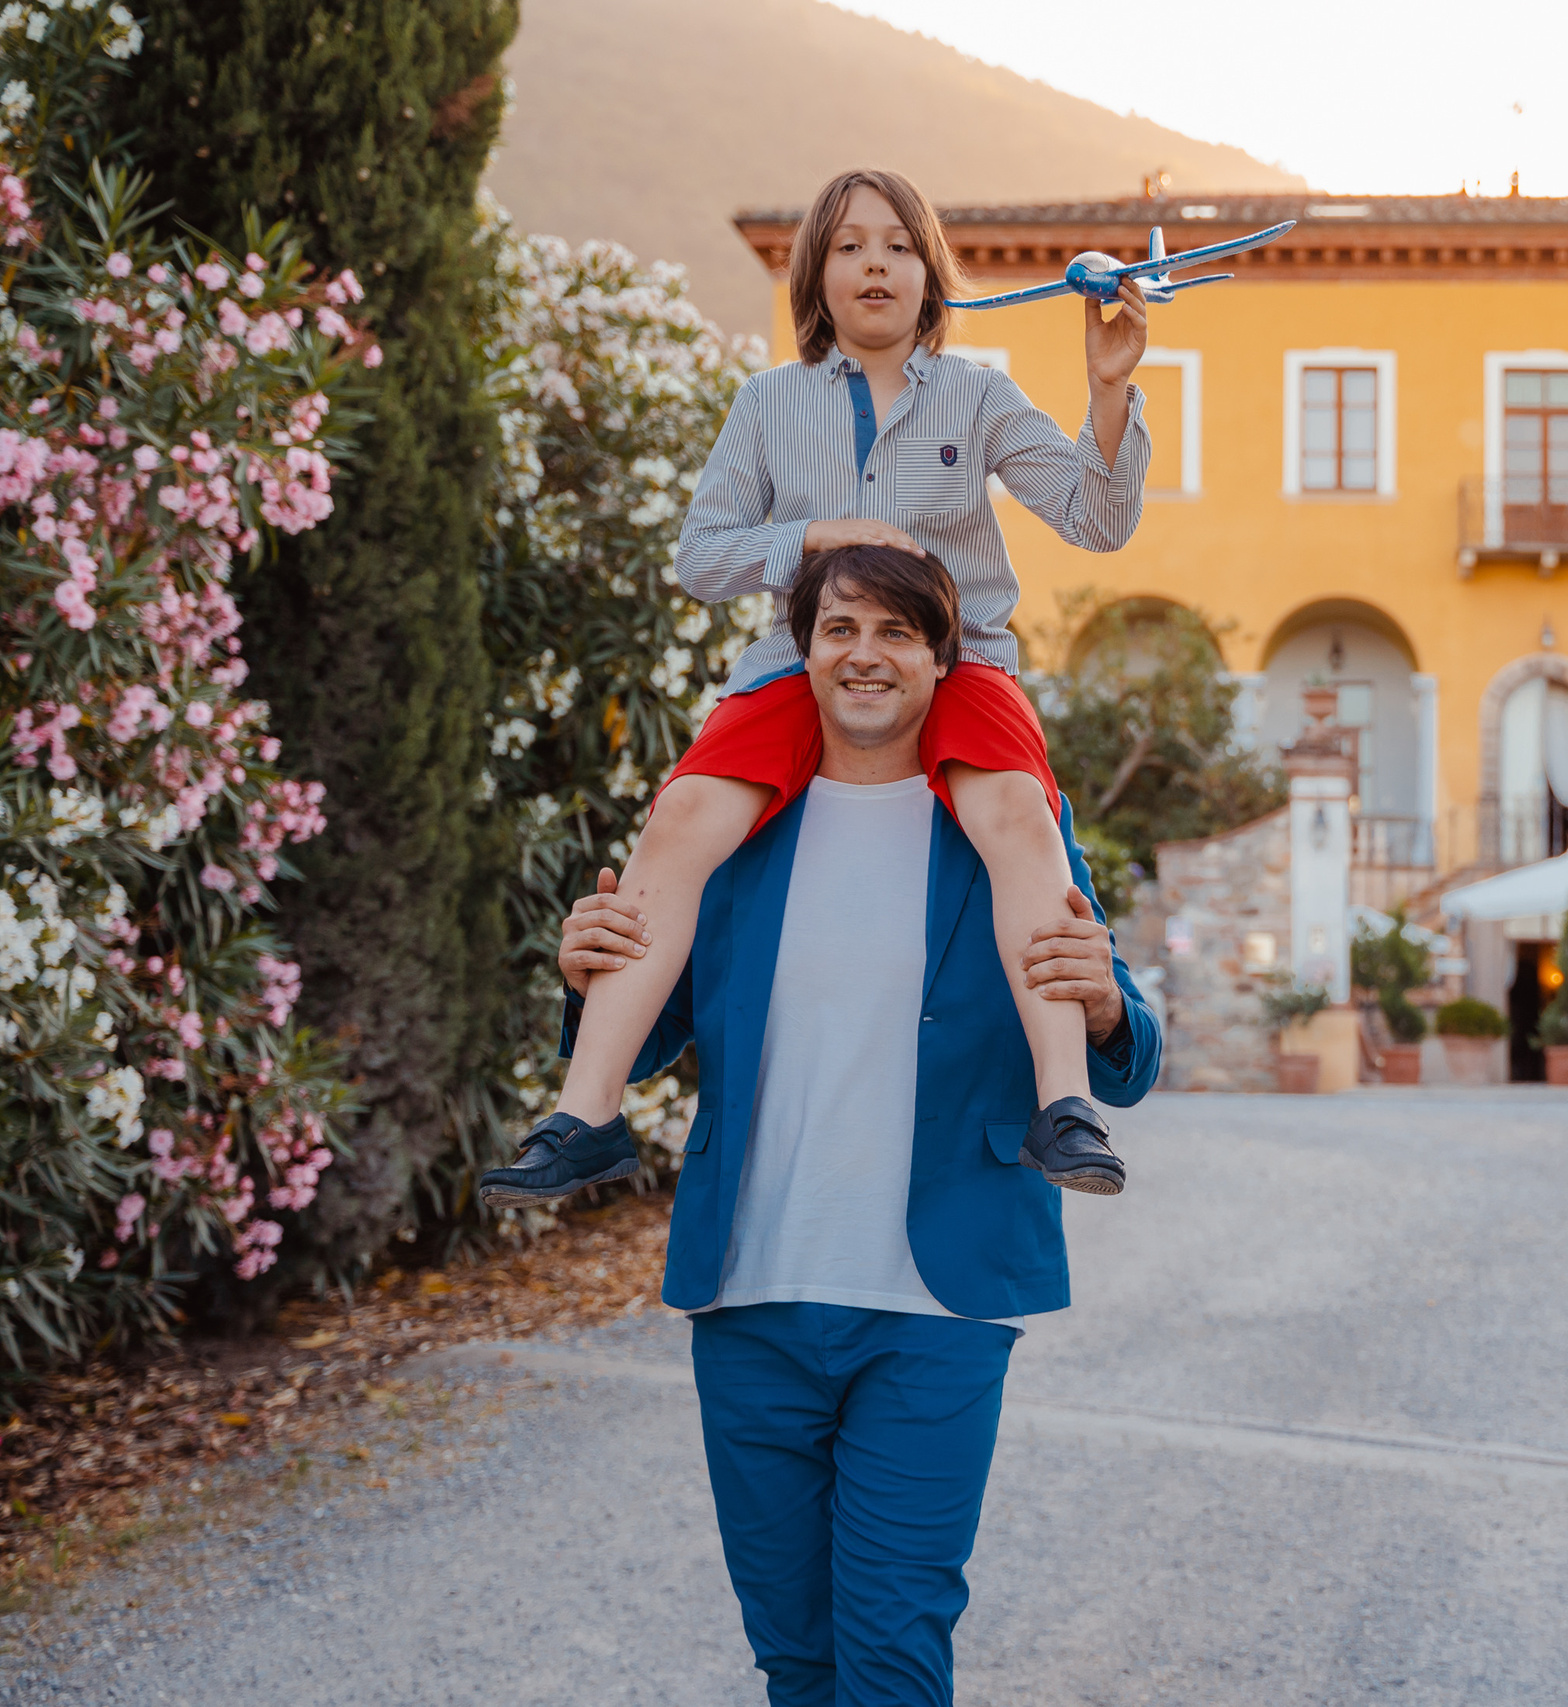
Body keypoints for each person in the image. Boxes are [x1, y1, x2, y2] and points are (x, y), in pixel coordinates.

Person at [547, 542, 1159, 1707]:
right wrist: (587, 979)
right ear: (803, 652)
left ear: (942, 659)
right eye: (839, 630)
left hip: (937, 1306)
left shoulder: (1004, 818)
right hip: (752, 1291)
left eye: (894, 633)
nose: (864, 655)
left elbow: (1112, 1044)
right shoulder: (738, 818)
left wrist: (1106, 1002)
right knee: (795, 1649)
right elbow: (663, 1017)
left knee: (890, 1647)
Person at [480, 166, 1150, 1210]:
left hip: (958, 657)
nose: (873, 262)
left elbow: (1096, 520)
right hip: (797, 665)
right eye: (847, 245)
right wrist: (818, 536)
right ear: (816, 278)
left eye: (895, 243)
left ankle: (1065, 1103)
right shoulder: (767, 403)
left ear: (931, 273)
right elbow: (702, 558)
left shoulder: (979, 395)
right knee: (684, 816)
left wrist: (1108, 392)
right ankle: (586, 1116)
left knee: (1018, 812)